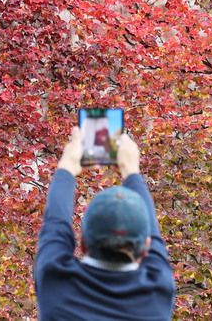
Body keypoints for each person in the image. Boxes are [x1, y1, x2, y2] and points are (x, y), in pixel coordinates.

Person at [35, 127, 175, 320]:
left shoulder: (56, 280)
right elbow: (56, 224)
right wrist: (131, 170)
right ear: (146, 248)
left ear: (82, 243)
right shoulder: (157, 292)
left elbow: (55, 223)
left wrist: (68, 164)